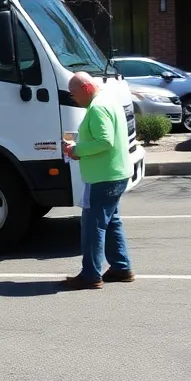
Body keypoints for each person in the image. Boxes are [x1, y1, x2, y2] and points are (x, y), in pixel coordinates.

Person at [62, 72, 134, 290]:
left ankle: (90, 275)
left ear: (85, 88)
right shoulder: (109, 100)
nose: (72, 98)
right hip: (115, 173)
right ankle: (121, 268)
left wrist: (77, 150)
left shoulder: (97, 107)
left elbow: (104, 141)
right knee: (111, 221)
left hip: (102, 177)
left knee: (93, 226)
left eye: (73, 94)